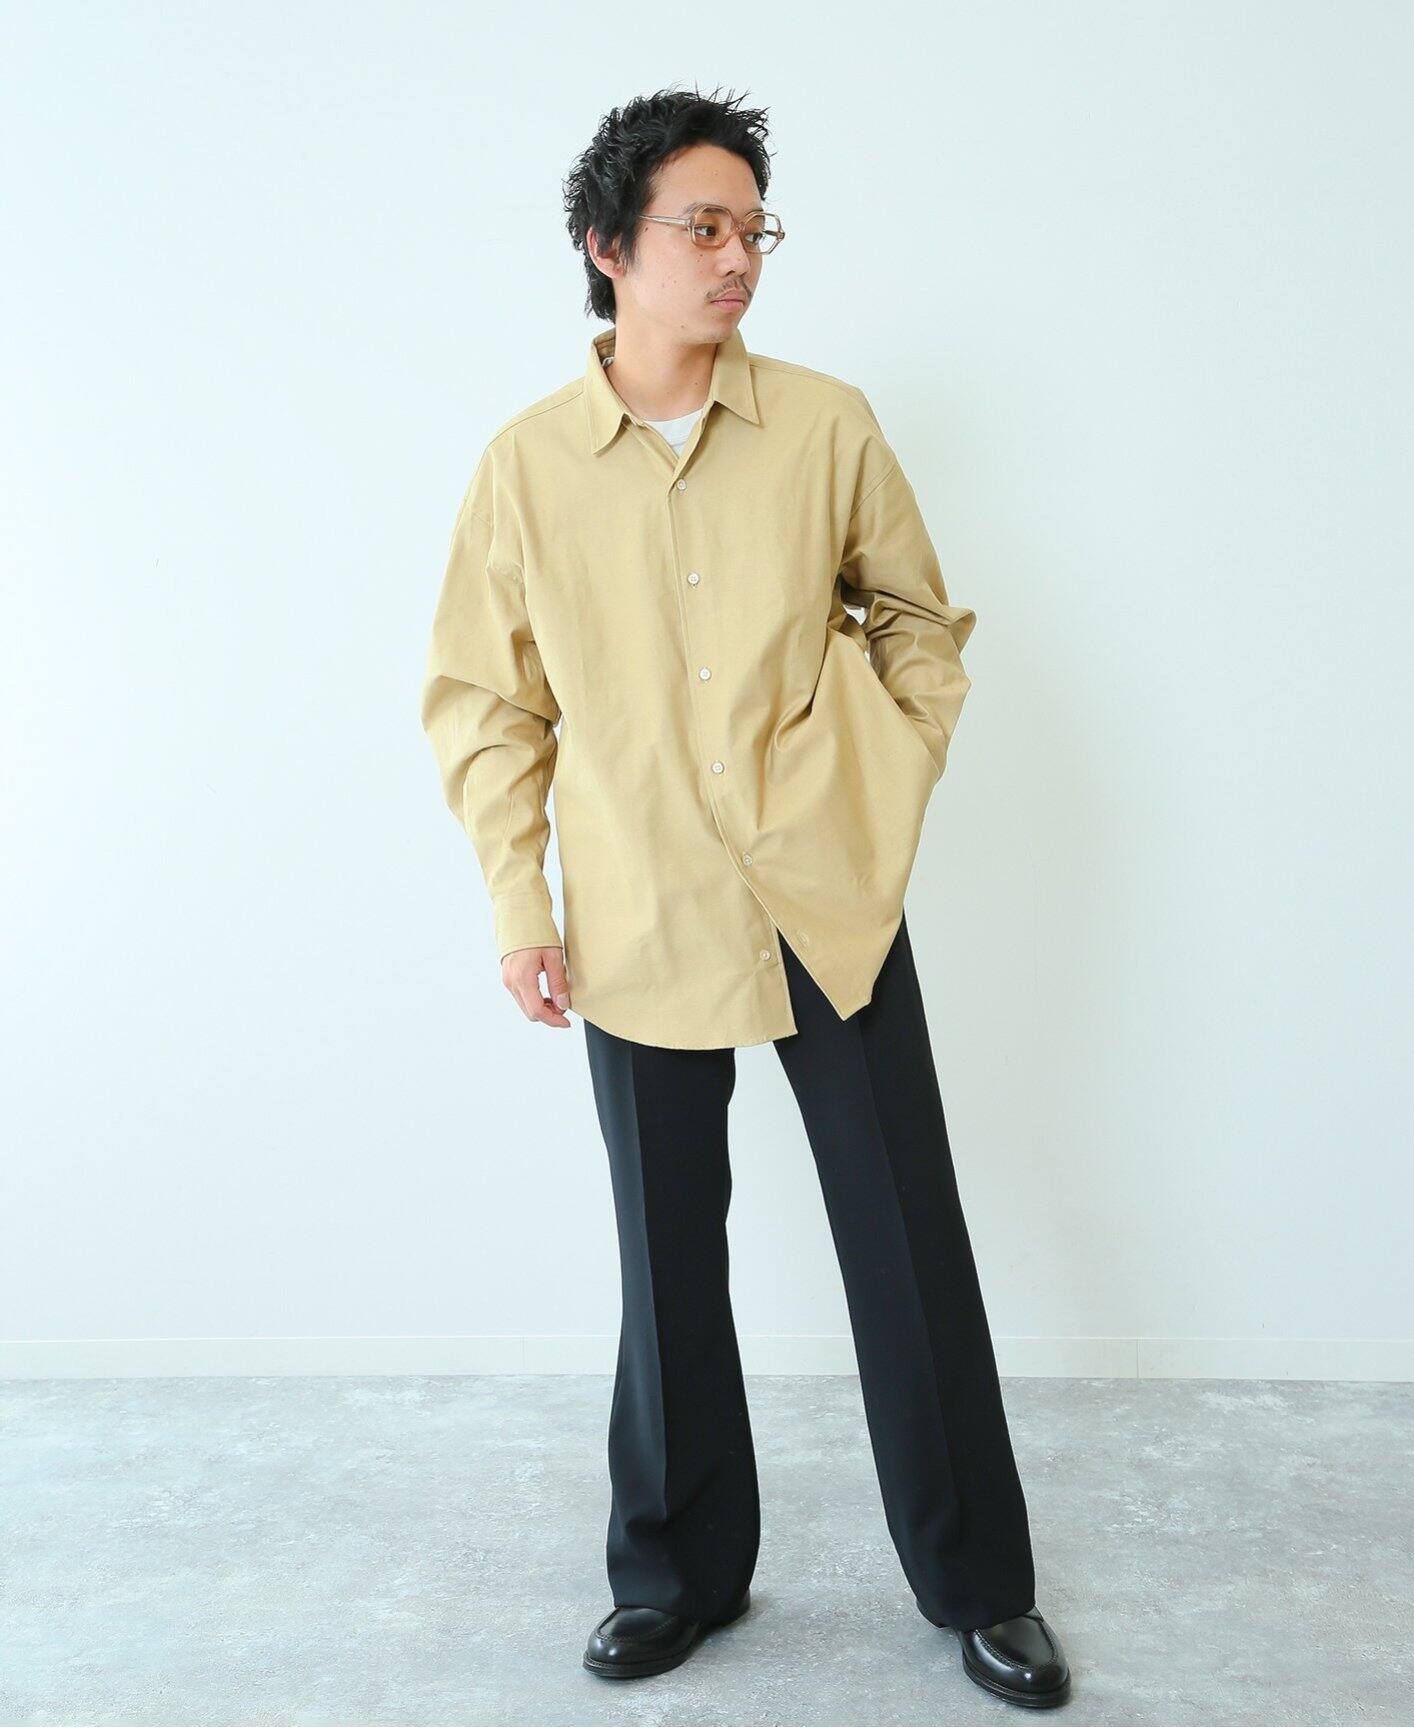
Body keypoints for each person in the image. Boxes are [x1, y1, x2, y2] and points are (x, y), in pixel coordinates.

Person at [418, 83, 1071, 1710]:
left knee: (907, 1243)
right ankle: (675, 1577)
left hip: (823, 903)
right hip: (636, 906)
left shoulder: (828, 426)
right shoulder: (525, 469)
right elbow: (488, 706)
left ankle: (981, 1586)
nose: (736, 259)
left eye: (753, 229)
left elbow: (918, 625)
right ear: (608, 246)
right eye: (702, 227)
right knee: (666, 1259)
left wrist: (879, 784)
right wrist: (519, 902)